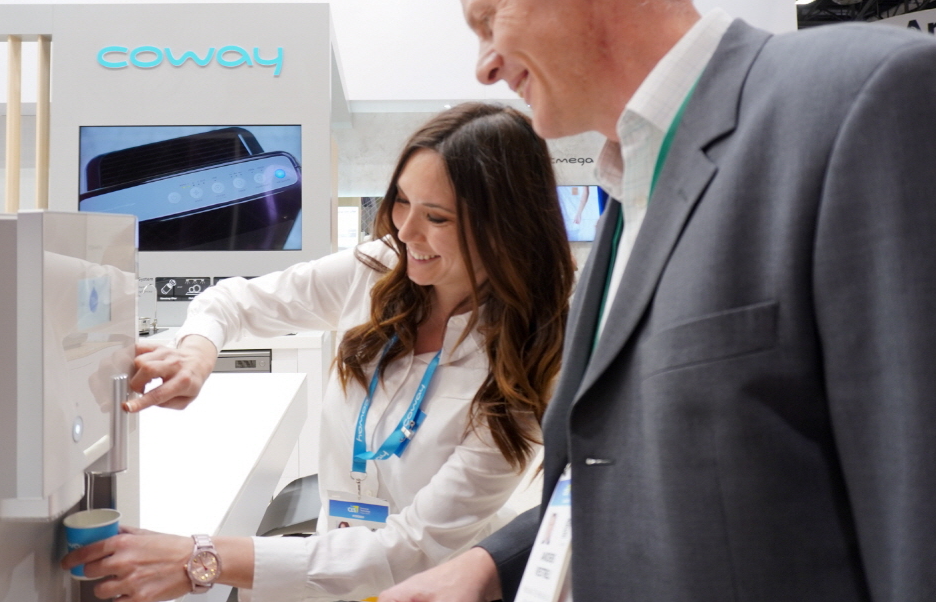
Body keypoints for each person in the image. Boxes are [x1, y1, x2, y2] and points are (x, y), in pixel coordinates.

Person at [380, 0, 936, 602]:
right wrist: (493, 563)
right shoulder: (631, 188)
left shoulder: (872, 107)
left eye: (488, 16)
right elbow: (638, 465)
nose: (483, 63)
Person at [62, 102, 575, 601]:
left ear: (504, 228)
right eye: (401, 201)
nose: (405, 231)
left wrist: (200, 558)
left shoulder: (527, 362)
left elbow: (411, 548)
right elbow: (233, 302)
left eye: (436, 217)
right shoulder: (378, 270)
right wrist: (197, 352)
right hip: (330, 563)